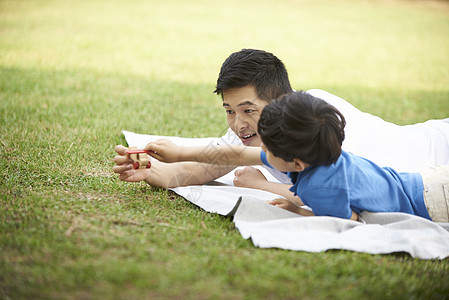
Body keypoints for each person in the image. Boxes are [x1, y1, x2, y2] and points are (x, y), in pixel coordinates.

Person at [113, 49, 449, 198]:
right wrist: (152, 173)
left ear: (281, 101)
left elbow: (328, 194)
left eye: (248, 110)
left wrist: (261, 185)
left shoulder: (315, 123)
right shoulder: (254, 132)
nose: (238, 124)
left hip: (435, 153)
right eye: (229, 110)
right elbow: (199, 169)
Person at [146, 91, 449, 222]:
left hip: (435, 200)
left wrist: (298, 211)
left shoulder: (317, 185)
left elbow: (349, 217)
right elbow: (235, 153)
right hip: (427, 178)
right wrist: (180, 152)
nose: (261, 153)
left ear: (297, 165)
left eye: (267, 151)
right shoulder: (310, 152)